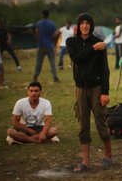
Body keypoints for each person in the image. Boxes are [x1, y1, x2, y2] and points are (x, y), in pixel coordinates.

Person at [67, 12, 112, 172]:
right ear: (78, 26)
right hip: (80, 89)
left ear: (91, 26)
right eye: (82, 23)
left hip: (97, 88)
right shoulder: (72, 42)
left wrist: (105, 92)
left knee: (100, 120)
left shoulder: (99, 42)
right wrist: (93, 48)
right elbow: (77, 59)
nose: (85, 26)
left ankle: (108, 153)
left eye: (87, 23)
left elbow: (104, 69)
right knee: (83, 124)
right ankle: (86, 161)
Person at [34, 10, 59, 82]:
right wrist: (52, 37)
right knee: (52, 62)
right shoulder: (52, 23)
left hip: (41, 45)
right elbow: (55, 34)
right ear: (48, 15)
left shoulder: (38, 23)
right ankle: (55, 77)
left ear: (42, 15)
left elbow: (37, 34)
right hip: (50, 45)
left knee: (39, 62)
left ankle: (35, 76)